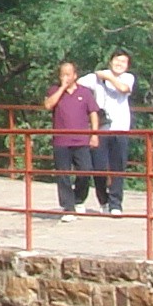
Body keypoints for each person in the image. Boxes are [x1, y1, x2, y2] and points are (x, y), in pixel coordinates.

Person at [42, 59, 97, 214]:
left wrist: (94, 134)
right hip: (61, 140)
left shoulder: (84, 92)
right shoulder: (54, 90)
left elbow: (93, 113)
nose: (65, 77)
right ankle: (68, 206)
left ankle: (79, 199)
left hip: (81, 139)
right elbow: (48, 105)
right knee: (63, 174)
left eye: (68, 74)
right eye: (62, 74)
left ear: (75, 75)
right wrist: (62, 89)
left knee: (85, 171)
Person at [85, 52, 136, 214]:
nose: (119, 64)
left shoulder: (128, 77)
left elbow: (123, 89)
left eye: (123, 61)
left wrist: (108, 78)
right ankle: (103, 200)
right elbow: (78, 84)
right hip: (101, 128)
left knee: (118, 167)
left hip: (120, 128)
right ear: (110, 61)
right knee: (98, 167)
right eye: (117, 60)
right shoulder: (97, 77)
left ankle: (116, 203)